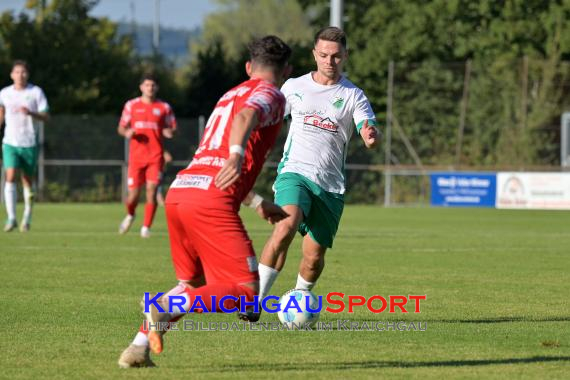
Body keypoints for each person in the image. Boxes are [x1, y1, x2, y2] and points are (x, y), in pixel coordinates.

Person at [118, 35, 292, 368]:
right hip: (210, 201)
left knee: (193, 284)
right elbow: (245, 120)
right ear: (287, 69)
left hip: (182, 191)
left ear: (247, 67)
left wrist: (255, 202)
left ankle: (137, 348)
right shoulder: (270, 93)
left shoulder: (229, 94)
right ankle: (161, 307)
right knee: (246, 295)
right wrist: (238, 154)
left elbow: (214, 161)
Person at [241, 26, 380, 322]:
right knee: (285, 226)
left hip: (330, 186)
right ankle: (255, 302)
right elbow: (271, 113)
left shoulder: (353, 95)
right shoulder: (293, 87)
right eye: (324, 55)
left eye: (337, 56)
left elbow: (367, 126)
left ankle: (299, 299)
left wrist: (370, 134)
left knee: (314, 257)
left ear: (346, 56)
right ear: (314, 54)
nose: (330, 61)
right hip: (294, 173)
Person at [117, 73, 177, 238]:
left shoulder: (164, 107)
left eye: (152, 85)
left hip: (155, 157)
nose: (150, 88)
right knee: (133, 195)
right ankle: (130, 214)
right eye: (147, 85)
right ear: (141, 87)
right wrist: (127, 132)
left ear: (156, 88)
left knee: (151, 190)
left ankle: (145, 228)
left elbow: (172, 127)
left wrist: (169, 132)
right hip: (136, 157)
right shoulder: (131, 105)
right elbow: (121, 127)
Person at [0, 60, 49, 233]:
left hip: (29, 143)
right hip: (10, 143)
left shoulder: (35, 92)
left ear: (27, 74)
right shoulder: (4, 93)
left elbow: (46, 116)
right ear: (11, 75)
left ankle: (27, 217)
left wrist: (31, 113)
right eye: (17, 72)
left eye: (23, 72)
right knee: (10, 176)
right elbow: (1, 116)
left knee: (27, 181)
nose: (20, 75)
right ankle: (11, 218)